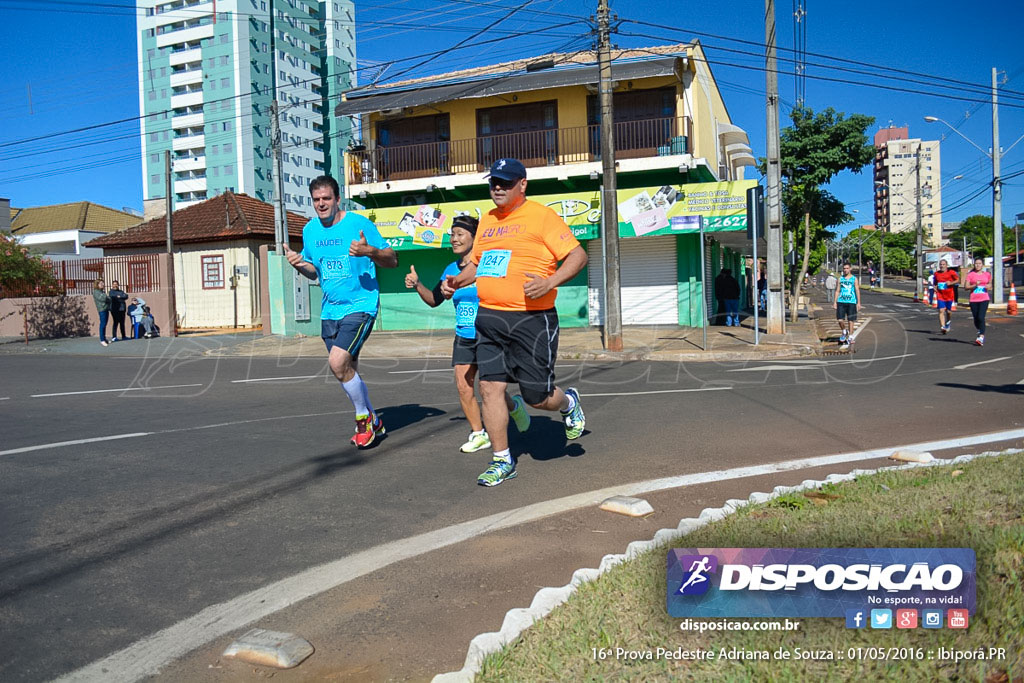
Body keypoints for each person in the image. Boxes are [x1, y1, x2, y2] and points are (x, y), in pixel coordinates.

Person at [445, 158, 588, 487]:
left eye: (506, 182)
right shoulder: (488, 221)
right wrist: (457, 280)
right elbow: (478, 266)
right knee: (489, 387)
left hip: (531, 320)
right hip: (490, 317)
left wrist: (550, 282)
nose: (497, 187)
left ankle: (568, 402)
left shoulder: (541, 216)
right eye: (494, 181)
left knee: (538, 397)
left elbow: (578, 256)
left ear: (522, 185)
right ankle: (502, 460)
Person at [283, 175, 398, 448]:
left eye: (326, 198)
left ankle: (362, 420)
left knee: (337, 363)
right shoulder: (310, 230)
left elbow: (392, 260)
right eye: (316, 200)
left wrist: (369, 250)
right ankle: (374, 420)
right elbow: (314, 271)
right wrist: (298, 265)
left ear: (337, 199)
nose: (321, 204)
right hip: (329, 311)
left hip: (360, 305)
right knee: (347, 370)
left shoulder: (359, 224)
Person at [405, 215, 531, 454]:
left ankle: (514, 407)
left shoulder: (487, 266)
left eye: (460, 234)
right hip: (463, 335)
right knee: (463, 386)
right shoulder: (450, 270)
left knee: (490, 390)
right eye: (452, 234)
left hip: (489, 334)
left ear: (475, 238)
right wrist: (418, 284)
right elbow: (434, 300)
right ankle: (478, 433)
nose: (454, 239)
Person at [964, 258, 991, 346]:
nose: (978, 265)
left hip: (984, 299)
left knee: (981, 317)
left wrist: (987, 286)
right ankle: (980, 329)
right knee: (976, 319)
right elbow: (966, 287)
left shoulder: (987, 274)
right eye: (976, 263)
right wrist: (975, 285)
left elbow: (990, 284)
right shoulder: (970, 275)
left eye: (979, 263)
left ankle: (981, 336)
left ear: (982, 265)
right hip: (974, 299)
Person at [834, 262, 860, 350]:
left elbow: (857, 290)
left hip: (851, 301)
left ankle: (850, 336)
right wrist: (835, 302)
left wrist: (858, 302)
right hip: (841, 301)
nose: (845, 270)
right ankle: (844, 331)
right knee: (840, 319)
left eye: (847, 268)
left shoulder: (854, 279)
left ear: (850, 269)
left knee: (851, 320)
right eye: (844, 268)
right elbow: (837, 290)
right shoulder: (840, 279)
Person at [934, 259, 959, 334]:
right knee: (941, 310)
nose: (942, 266)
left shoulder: (951, 272)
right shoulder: (936, 274)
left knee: (948, 312)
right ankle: (943, 326)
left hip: (949, 295)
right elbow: (935, 282)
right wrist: (935, 287)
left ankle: (948, 322)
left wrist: (951, 283)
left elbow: (958, 280)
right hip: (940, 295)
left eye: (943, 264)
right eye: (941, 264)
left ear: (946, 265)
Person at [92, 278, 110, 346]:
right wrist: (106, 296)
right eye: (101, 283)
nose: (103, 284)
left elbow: (109, 299)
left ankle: (104, 339)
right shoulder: (96, 292)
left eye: (103, 283)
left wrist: (107, 297)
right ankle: (102, 339)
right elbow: (103, 298)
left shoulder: (102, 291)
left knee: (105, 324)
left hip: (106, 308)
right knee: (102, 324)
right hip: (102, 309)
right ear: (97, 284)